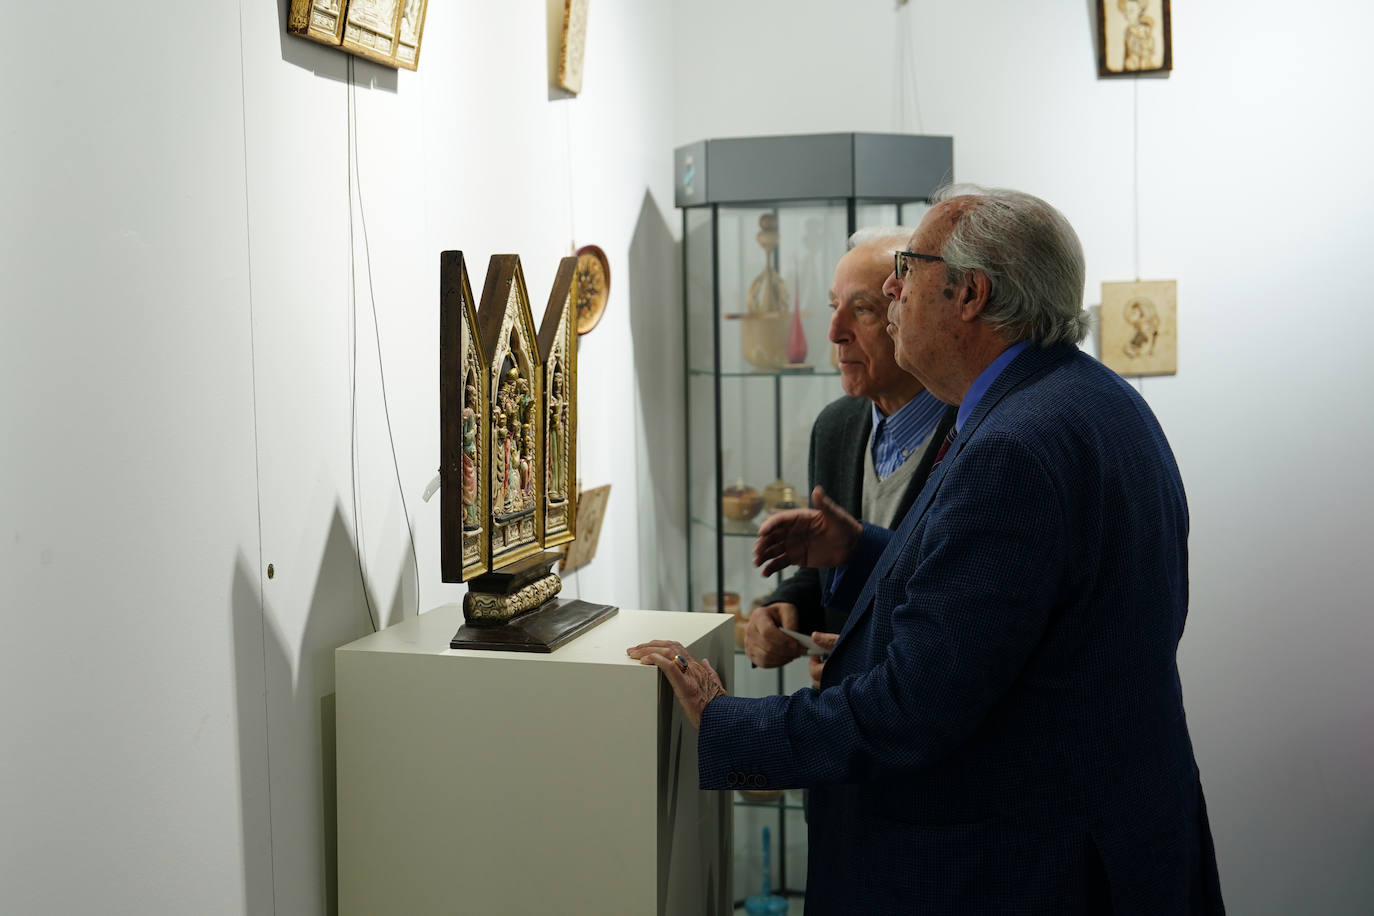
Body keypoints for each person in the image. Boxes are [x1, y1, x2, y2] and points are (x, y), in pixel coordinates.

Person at [630, 185, 1223, 913]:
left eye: (906, 268)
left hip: (1021, 864)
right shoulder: (1092, 398)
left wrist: (731, 721)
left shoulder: (1013, 447)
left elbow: (915, 706)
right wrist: (864, 549)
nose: (890, 288)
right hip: (1112, 836)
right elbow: (1025, 603)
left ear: (969, 294)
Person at [746, 229, 955, 684]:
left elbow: (954, 603)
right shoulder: (836, 427)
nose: (835, 332)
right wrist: (786, 609)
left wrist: (862, 663)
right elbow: (831, 572)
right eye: (832, 306)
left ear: (913, 314)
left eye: (862, 310)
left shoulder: (971, 436)